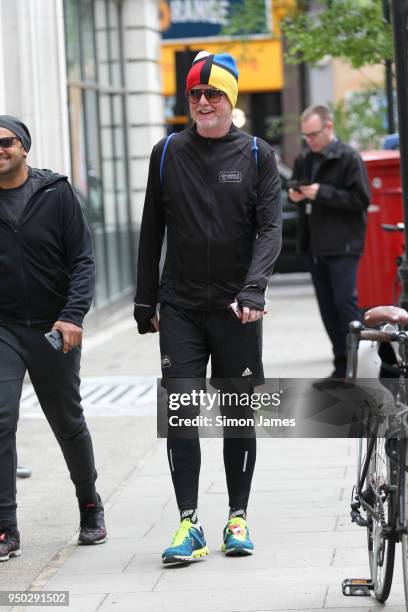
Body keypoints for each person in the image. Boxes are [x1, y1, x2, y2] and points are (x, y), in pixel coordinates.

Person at [134, 51, 282, 564]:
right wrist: (143, 298)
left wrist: (254, 289)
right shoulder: (166, 152)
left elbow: (270, 229)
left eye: (212, 93)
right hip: (178, 306)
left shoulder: (259, 155)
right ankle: (188, 523)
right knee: (180, 413)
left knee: (239, 414)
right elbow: (152, 228)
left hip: (237, 310)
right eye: (194, 94)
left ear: (231, 100)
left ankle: (237, 516)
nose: (201, 102)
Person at [0, 115, 107, 563]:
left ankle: (89, 504)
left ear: (24, 147)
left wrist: (72, 316)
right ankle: (5, 527)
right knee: (1, 418)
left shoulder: (56, 193)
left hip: (52, 326)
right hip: (3, 326)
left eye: (5, 142)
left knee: (66, 420)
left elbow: (82, 259)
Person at [289, 105, 370, 379]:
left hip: (343, 245)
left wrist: (323, 193)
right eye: (305, 136)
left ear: (329, 127)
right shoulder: (304, 159)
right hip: (314, 245)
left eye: (314, 134)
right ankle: (340, 366)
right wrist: (295, 194)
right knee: (327, 309)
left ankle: (359, 368)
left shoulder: (349, 158)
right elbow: (293, 186)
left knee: (345, 305)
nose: (310, 141)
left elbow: (361, 200)